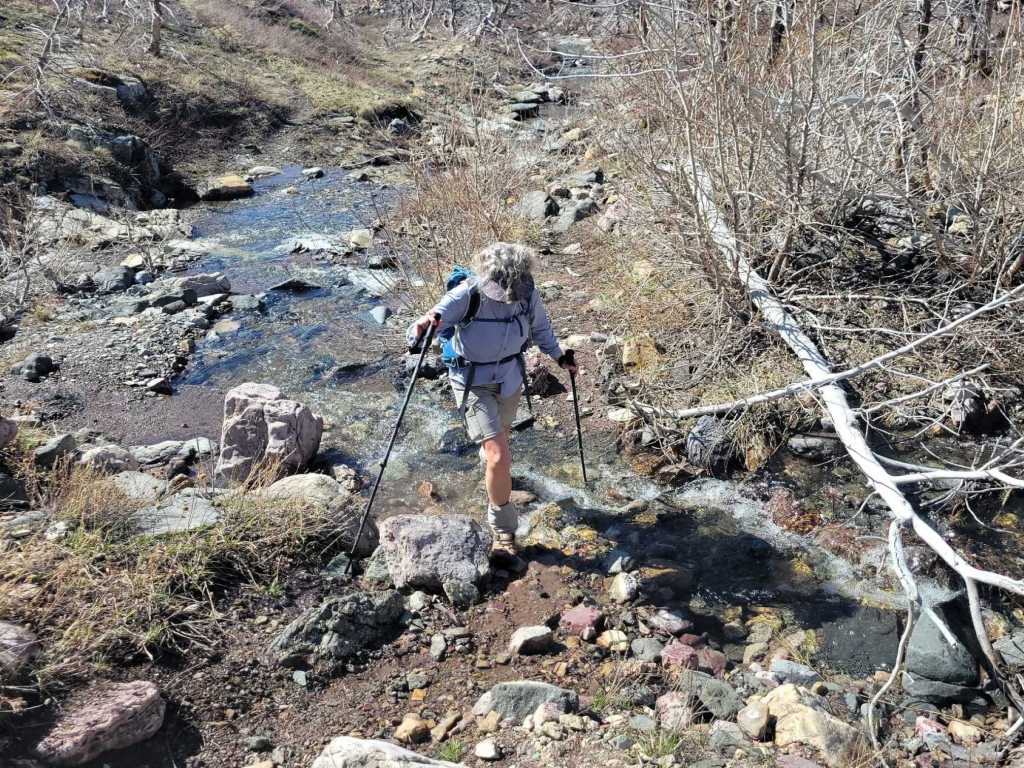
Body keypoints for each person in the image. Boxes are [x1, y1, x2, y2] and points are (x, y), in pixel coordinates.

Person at [409, 242, 577, 560]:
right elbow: (431, 319)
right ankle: (503, 530)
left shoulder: (527, 293)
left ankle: (492, 467)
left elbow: (541, 329)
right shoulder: (467, 293)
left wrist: (560, 356)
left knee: (498, 446)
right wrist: (420, 329)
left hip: (510, 379)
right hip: (472, 383)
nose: (510, 293)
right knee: (500, 455)